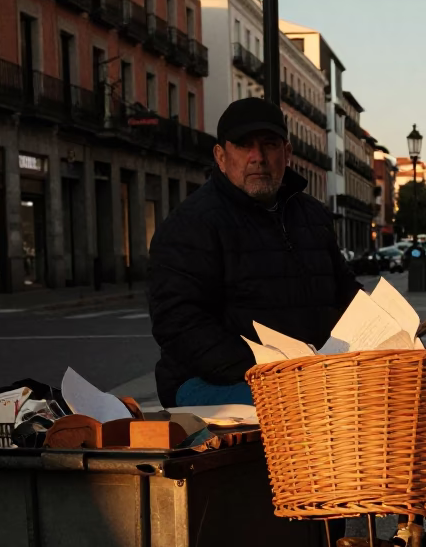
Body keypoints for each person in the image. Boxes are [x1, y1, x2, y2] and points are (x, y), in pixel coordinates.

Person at [149, 97, 359, 407]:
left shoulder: (313, 216)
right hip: (207, 382)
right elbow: (179, 324)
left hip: (307, 378)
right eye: (243, 145)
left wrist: (388, 334)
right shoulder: (192, 224)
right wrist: (268, 371)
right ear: (221, 157)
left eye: (269, 144)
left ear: (286, 153)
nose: (257, 157)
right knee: (312, 408)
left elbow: (346, 295)